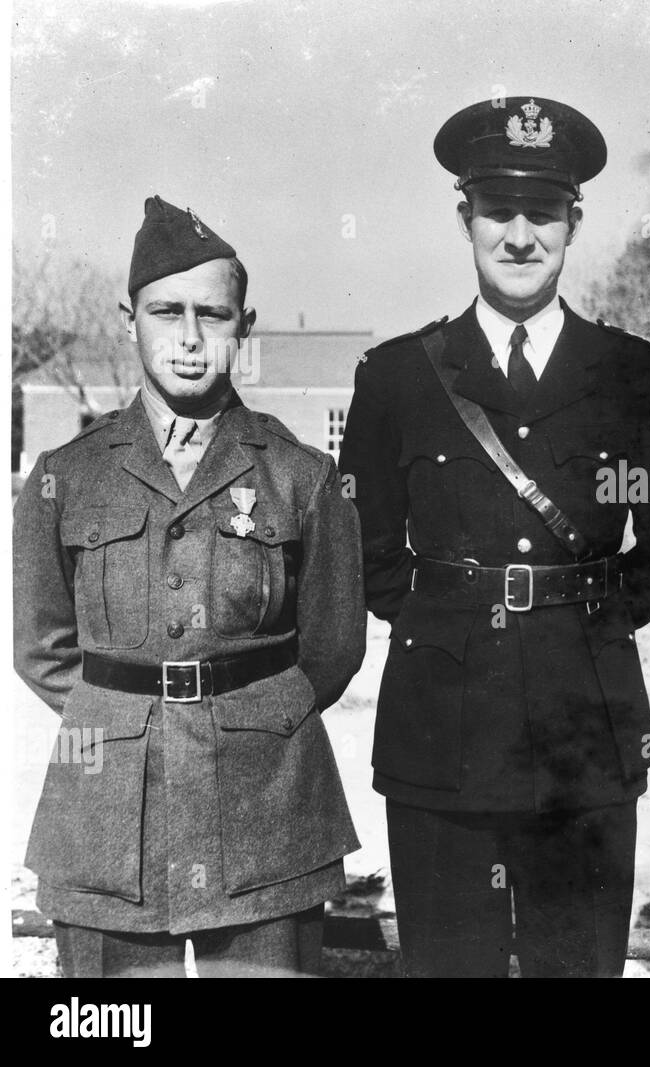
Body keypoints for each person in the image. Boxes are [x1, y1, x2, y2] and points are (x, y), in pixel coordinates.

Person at [338, 96, 650, 978]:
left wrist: (586, 611)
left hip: (587, 723)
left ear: (573, 222)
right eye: (498, 211)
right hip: (441, 721)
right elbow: (367, 550)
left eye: (542, 212)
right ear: (464, 216)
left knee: (575, 963)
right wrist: (454, 617)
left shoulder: (637, 375)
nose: (519, 236)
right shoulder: (395, 376)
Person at [12, 196, 366, 978]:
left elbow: (334, 648)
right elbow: (41, 649)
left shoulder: (301, 476)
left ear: (245, 325)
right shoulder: (63, 478)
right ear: (127, 319)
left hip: (267, 814)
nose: (190, 336)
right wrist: (123, 719)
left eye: (213, 313)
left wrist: (249, 720)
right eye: (166, 311)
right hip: (108, 821)